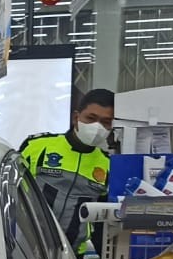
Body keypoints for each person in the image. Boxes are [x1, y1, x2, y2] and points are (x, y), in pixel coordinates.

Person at [20, 88, 117, 246]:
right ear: (76, 117)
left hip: (73, 256)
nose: (96, 126)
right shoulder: (37, 146)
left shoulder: (108, 165)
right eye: (91, 118)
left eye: (105, 122)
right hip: (27, 248)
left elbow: (102, 222)